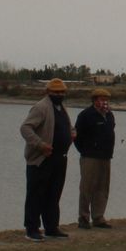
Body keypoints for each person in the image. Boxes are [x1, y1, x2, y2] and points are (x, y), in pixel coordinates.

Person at [19, 79, 73, 241]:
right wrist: (40, 145)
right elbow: (25, 128)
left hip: (59, 159)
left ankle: (51, 227)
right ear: (48, 92)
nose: (59, 95)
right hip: (41, 159)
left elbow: (65, 126)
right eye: (56, 92)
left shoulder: (62, 107)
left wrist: (72, 132)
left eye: (62, 92)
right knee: (36, 194)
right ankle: (32, 229)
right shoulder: (41, 107)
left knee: (54, 194)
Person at [74, 88, 117, 229]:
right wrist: (86, 150)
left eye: (106, 99)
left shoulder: (110, 115)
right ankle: (83, 218)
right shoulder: (86, 115)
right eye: (101, 99)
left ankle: (98, 217)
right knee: (86, 188)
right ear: (94, 100)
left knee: (102, 188)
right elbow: (76, 136)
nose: (104, 102)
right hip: (89, 157)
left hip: (106, 157)